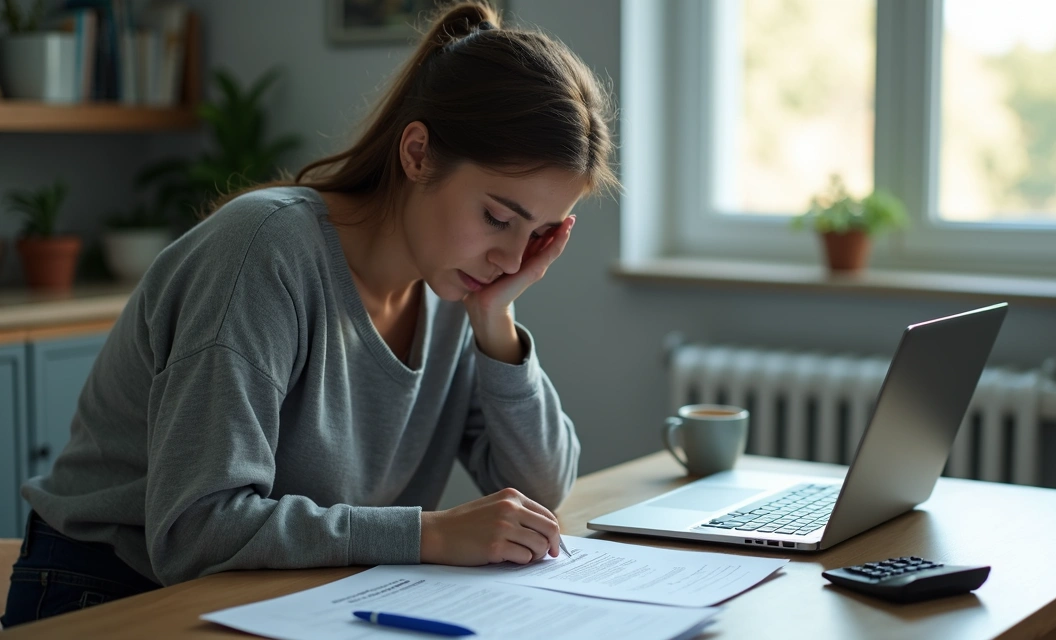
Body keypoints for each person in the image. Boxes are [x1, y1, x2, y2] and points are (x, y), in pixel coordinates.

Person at [1, 1, 615, 628]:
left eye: (537, 234)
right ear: (418, 153)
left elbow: (542, 494)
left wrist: (496, 322)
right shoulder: (263, 252)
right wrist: (428, 535)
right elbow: (195, 531)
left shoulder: (458, 291)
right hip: (107, 594)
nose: (512, 258)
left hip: (281, 596)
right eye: (498, 218)